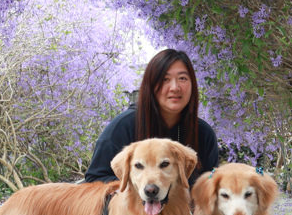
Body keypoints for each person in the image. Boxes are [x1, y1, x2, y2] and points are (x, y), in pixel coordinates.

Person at [85, 49, 219, 187]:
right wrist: (141, 189)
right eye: (165, 79)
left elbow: (210, 186)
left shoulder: (204, 133)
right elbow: (95, 179)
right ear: (150, 85)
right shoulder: (123, 127)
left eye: (182, 78)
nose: (175, 87)